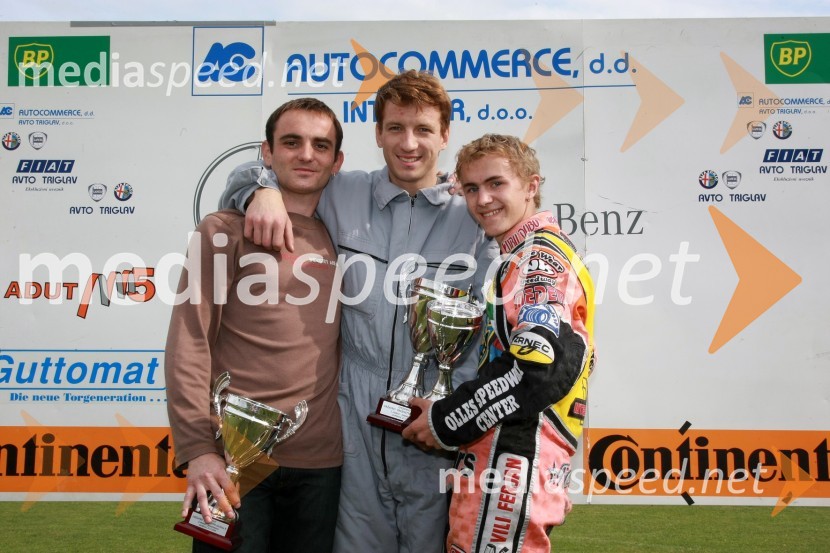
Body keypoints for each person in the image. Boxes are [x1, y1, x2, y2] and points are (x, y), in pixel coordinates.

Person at [219, 70, 498, 552]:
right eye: (395, 128)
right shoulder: (341, 192)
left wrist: (453, 416)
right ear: (378, 134)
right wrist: (260, 188)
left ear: (446, 136)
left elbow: (490, 329)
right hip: (352, 426)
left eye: (424, 129)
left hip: (432, 423)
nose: (408, 143)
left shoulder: (472, 215)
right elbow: (261, 175)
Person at [165, 98, 345, 552]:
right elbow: (189, 341)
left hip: (321, 463)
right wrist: (198, 448)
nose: (306, 154)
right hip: (234, 460)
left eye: (320, 145)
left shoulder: (346, 236)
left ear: (336, 161)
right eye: (291, 142)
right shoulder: (223, 230)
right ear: (266, 153)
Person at [403, 134, 597, 553]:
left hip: (514, 462)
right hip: (507, 458)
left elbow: (537, 368)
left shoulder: (539, 259)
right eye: (471, 188)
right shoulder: (519, 254)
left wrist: (445, 420)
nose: (483, 199)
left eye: (496, 184)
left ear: (531, 185)